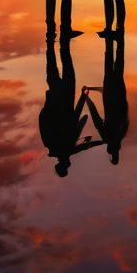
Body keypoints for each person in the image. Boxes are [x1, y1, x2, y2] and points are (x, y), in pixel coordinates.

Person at [39, 33, 101, 177]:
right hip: (57, 98)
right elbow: (42, 117)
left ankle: (61, 39)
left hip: (63, 96)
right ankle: (53, 39)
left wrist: (83, 96)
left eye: (66, 166)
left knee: (64, 65)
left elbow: (76, 119)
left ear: (63, 165)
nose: (69, 164)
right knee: (54, 66)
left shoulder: (67, 148)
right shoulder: (51, 146)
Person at [83, 33, 128, 165]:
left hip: (119, 91)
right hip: (110, 94)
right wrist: (87, 98)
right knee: (109, 61)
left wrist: (91, 90)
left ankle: (118, 36)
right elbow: (95, 116)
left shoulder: (122, 133)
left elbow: (125, 108)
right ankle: (109, 36)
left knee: (118, 61)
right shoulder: (107, 137)